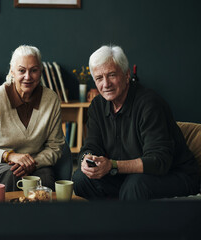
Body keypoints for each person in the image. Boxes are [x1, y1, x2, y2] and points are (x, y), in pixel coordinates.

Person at [72, 45, 200, 200]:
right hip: (127, 175)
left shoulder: (150, 104)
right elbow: (91, 146)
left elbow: (159, 161)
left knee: (135, 185)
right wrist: (87, 159)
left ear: (126, 75)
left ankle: (125, 223)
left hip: (175, 174)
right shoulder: (97, 106)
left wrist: (112, 165)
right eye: (99, 78)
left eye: (112, 75)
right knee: (80, 178)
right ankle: (108, 220)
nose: (106, 84)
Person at [0, 45, 65, 191]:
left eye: (33, 70)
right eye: (22, 70)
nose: (28, 77)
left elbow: (55, 147)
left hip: (35, 163)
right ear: (12, 70)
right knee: (12, 175)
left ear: (41, 71)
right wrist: (10, 156)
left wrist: (31, 163)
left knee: (45, 178)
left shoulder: (51, 100)